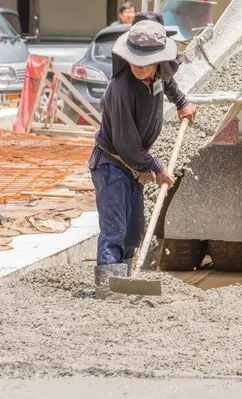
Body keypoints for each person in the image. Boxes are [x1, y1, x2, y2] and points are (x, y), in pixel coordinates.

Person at [89, 12, 196, 295]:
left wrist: (183, 103)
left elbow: (169, 83)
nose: (138, 66)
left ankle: (122, 283)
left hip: (132, 166)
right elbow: (126, 144)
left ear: (158, 60)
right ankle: (107, 291)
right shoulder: (121, 88)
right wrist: (158, 167)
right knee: (114, 231)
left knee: (133, 232)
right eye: (134, 60)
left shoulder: (158, 73)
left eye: (146, 62)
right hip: (112, 163)